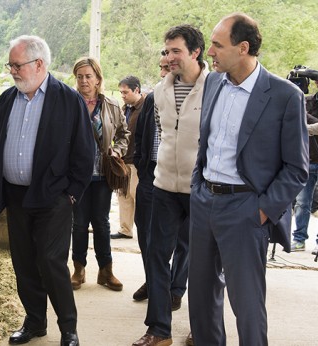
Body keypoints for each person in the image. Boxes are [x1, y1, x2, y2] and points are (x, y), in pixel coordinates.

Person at [189, 13, 308, 345]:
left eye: (216, 45)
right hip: (203, 204)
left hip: (245, 209)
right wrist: (197, 187)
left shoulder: (285, 96)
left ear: (243, 48)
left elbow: (296, 168)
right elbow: (207, 143)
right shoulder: (213, 82)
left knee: (247, 306)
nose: (208, 52)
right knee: (200, 300)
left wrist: (261, 211)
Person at [0, 35, 95, 346]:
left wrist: (70, 194)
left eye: (17, 65)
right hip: (17, 197)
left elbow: (85, 154)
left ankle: (68, 328)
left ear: (39, 64)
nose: (12, 71)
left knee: (50, 260)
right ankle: (35, 322)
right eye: (11, 65)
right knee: (25, 261)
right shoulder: (6, 100)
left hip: (53, 197)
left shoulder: (68, 99)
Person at [133, 24, 209, 346]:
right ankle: (158, 330)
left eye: (176, 50)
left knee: (204, 261)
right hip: (164, 185)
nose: (169, 57)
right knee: (156, 255)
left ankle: (201, 328)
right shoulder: (159, 91)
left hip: (201, 188)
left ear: (195, 52)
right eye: (166, 51)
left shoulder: (216, 87)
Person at [70, 57, 130, 292]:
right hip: (77, 176)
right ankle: (78, 269)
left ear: (98, 79)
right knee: (79, 224)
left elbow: (124, 134)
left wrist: (117, 150)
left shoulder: (112, 105)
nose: (84, 81)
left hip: (102, 175)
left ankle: (106, 271)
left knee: (102, 224)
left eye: (88, 76)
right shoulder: (70, 103)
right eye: (80, 76)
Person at [131, 52, 172, 302]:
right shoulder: (152, 98)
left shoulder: (195, 98)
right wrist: (141, 165)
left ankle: (173, 287)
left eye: (167, 68)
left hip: (181, 178)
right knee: (145, 230)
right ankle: (154, 280)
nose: (162, 73)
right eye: (161, 67)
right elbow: (139, 136)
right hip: (150, 174)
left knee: (179, 239)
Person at [111, 75, 145, 240]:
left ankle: (144, 229)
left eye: (125, 92)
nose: (122, 95)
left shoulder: (146, 107)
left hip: (138, 161)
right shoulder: (125, 109)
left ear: (136, 90)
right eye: (121, 92)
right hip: (123, 160)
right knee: (123, 194)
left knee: (136, 194)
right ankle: (125, 229)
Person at [292, 78, 318, 254]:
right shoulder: (305, 101)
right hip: (308, 159)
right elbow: (297, 122)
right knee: (302, 202)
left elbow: (305, 125)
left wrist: (306, 126)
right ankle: (299, 239)